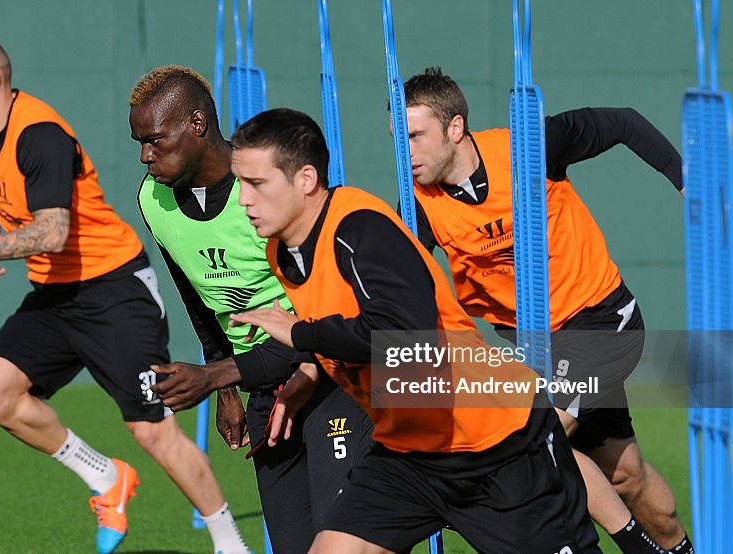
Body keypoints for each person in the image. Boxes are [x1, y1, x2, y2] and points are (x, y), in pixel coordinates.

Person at [0, 34, 249, 554]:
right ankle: (106, 479)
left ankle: (229, 543)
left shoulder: (41, 134)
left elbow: (53, 232)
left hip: (113, 289)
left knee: (152, 430)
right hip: (55, 293)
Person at [228, 108, 599, 554]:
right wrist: (309, 367)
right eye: (239, 184)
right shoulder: (281, 250)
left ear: (306, 179)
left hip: (496, 441)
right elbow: (341, 323)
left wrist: (304, 337)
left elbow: (409, 339)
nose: (243, 200)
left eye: (257, 184)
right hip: (407, 452)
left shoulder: (360, 230)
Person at [398, 66, 692, 554]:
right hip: (539, 345)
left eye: (414, 136)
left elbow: (623, 122)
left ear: (454, 129)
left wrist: (689, 185)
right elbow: (401, 281)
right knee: (626, 477)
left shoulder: (529, 148)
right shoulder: (420, 205)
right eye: (397, 139)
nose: (405, 152)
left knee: (534, 434)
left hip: (601, 322)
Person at [127, 65, 373, 552]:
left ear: (197, 124)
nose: (144, 156)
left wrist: (216, 376)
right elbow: (196, 296)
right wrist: (228, 388)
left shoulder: (267, 188)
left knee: (341, 539)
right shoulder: (152, 201)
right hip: (257, 384)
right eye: (139, 142)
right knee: (291, 542)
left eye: (155, 140)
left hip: (332, 376)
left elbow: (333, 313)